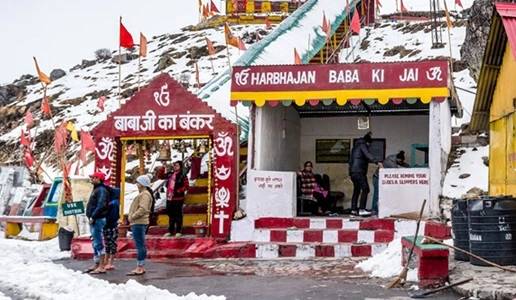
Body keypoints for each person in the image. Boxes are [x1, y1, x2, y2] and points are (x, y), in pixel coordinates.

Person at [348, 133, 383, 217]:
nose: (369, 146)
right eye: (369, 144)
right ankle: (362, 209)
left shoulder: (355, 147)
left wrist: (350, 172)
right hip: (359, 171)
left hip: (353, 171)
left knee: (356, 190)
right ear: (368, 142)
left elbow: (350, 160)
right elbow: (367, 154)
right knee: (366, 189)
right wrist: (377, 162)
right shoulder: (363, 145)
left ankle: (353, 209)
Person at [126, 174, 153, 276]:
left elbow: (143, 208)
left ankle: (140, 266)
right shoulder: (143, 194)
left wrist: (132, 216)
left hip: (139, 221)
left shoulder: (144, 195)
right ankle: (141, 265)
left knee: (140, 244)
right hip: (139, 221)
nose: (137, 184)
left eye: (138, 182)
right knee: (140, 244)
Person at [84, 171, 109, 275]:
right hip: (94, 219)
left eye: (93, 177)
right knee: (95, 242)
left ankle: (102, 265)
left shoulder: (101, 190)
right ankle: (96, 263)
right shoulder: (97, 189)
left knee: (98, 242)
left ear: (98, 179)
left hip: (97, 219)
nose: (92, 179)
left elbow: (101, 205)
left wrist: (93, 216)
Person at [157, 160, 189, 237]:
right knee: (170, 215)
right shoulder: (169, 174)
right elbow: (160, 176)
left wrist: (178, 191)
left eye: (177, 165)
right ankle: (170, 231)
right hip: (169, 198)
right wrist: (163, 167)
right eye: (174, 165)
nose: (175, 167)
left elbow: (186, 186)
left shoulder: (183, 175)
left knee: (178, 215)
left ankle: (178, 230)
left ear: (180, 167)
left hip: (178, 198)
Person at [372, 150, 410, 215]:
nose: (401, 162)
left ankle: (378, 210)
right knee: (377, 194)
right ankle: (374, 210)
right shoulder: (390, 161)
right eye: (400, 161)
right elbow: (396, 171)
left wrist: (410, 166)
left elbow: (402, 164)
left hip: (383, 179)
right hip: (377, 178)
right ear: (397, 159)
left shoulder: (395, 159)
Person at [103, 187, 119, 271]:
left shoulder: (113, 203)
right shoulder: (110, 202)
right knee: (107, 244)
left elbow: (113, 216)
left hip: (111, 226)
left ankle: (111, 262)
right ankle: (106, 261)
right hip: (107, 226)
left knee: (112, 244)